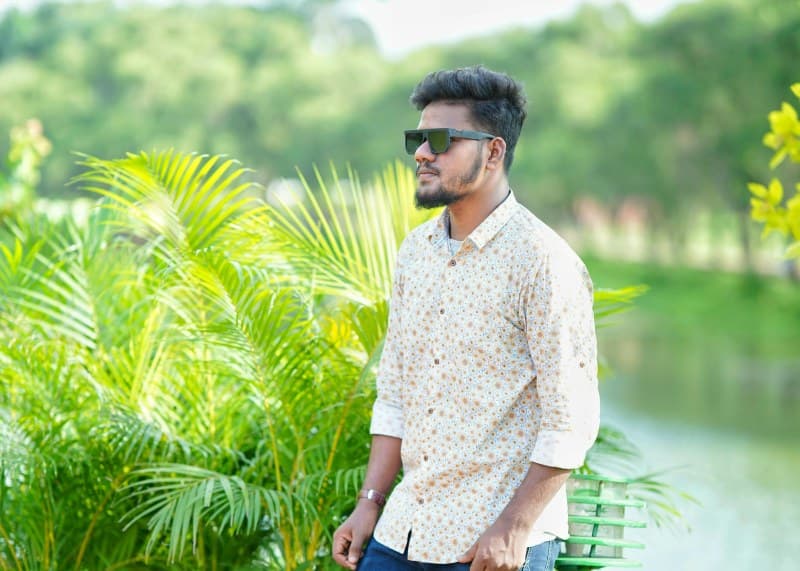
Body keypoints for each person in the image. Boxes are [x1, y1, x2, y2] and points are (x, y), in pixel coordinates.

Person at [332, 65, 600, 571]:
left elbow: (572, 420)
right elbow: (395, 394)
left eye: (439, 140)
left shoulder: (543, 261)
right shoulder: (415, 253)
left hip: (490, 544)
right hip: (402, 533)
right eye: (417, 139)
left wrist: (514, 528)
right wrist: (369, 503)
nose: (421, 153)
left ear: (493, 152)